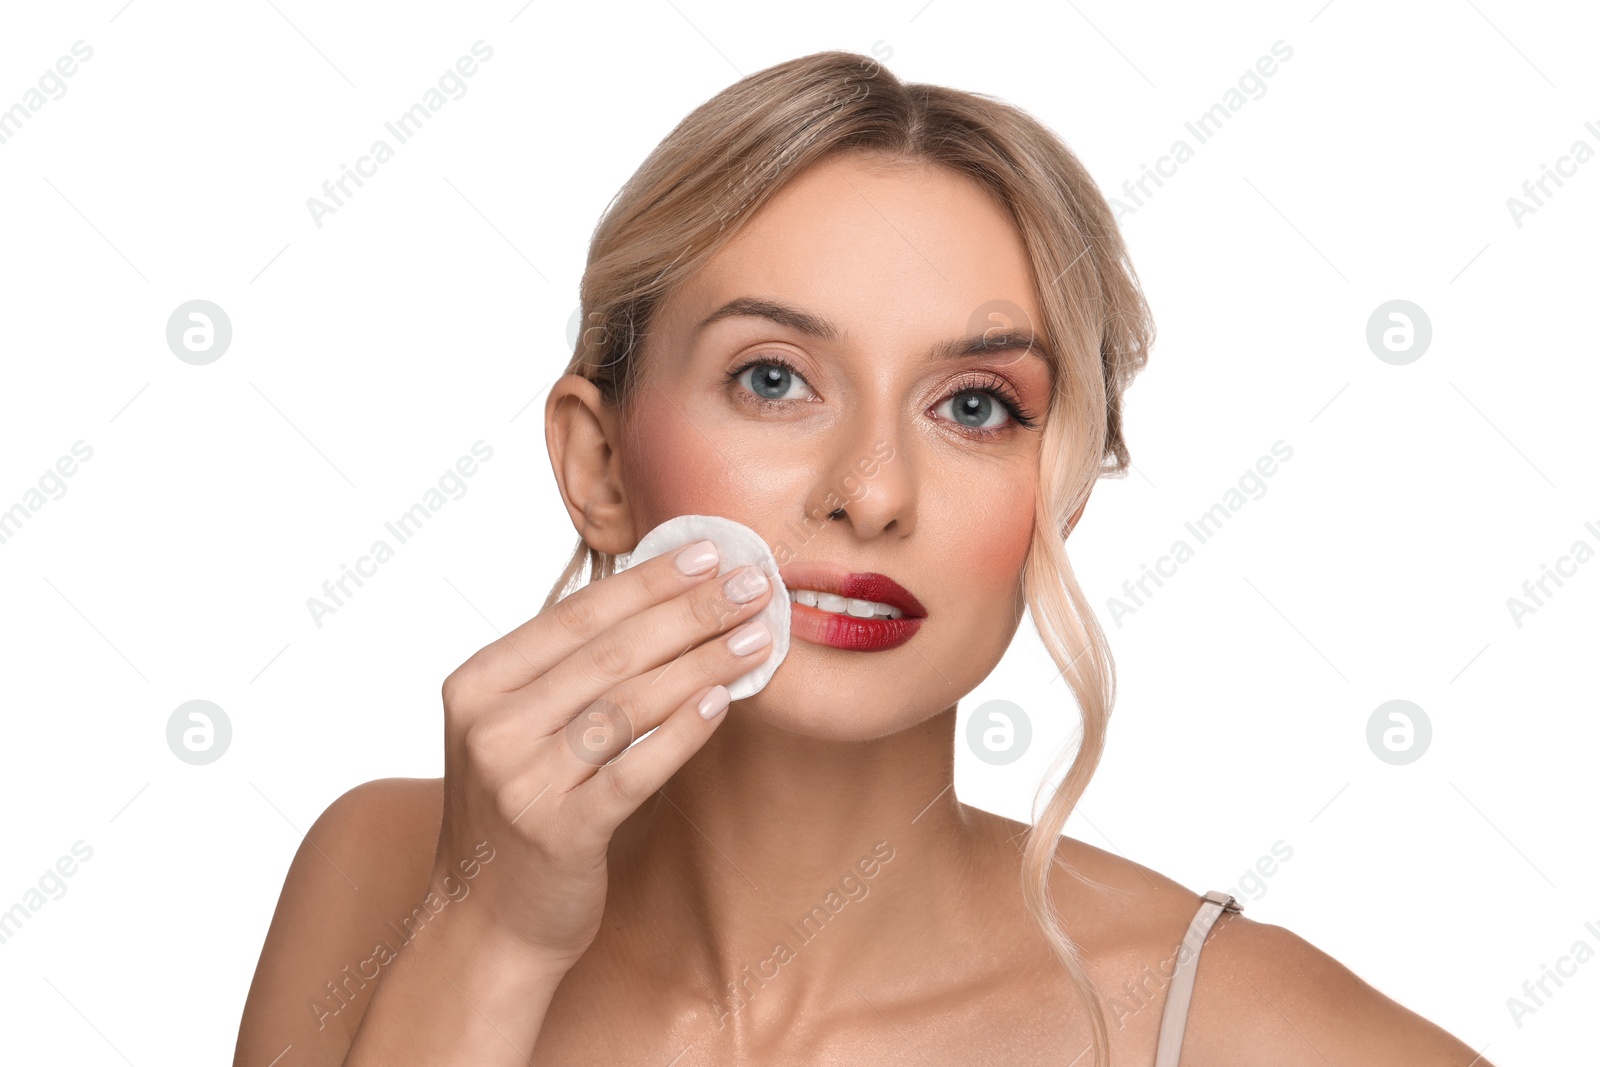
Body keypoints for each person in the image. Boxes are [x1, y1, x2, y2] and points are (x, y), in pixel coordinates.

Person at [234, 51, 1492, 1066]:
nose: (873, 491)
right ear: (598, 462)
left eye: (977, 405)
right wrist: (489, 940)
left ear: (1056, 490)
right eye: (773, 379)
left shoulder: (1240, 1032)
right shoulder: (382, 873)